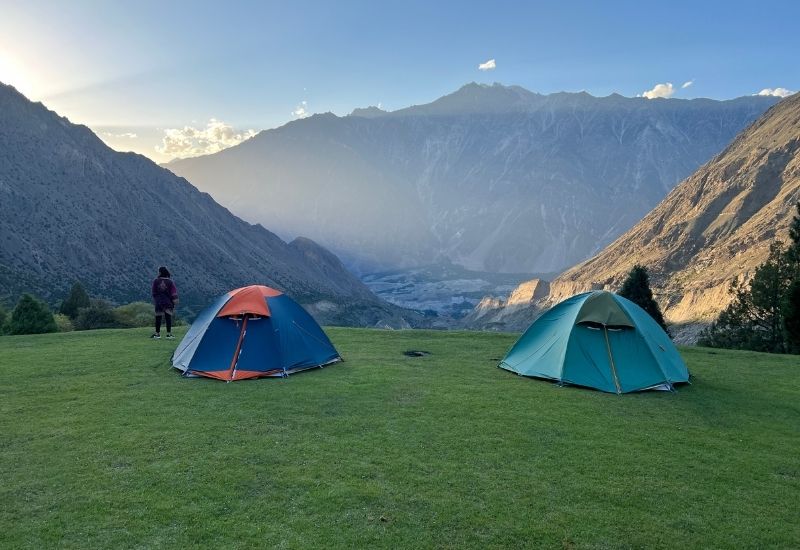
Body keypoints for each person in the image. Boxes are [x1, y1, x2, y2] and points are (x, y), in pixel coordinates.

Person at [151, 266, 178, 339]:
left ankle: (157, 334)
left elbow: (153, 292)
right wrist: (175, 301)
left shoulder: (156, 281)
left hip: (159, 302)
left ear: (160, 272)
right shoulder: (170, 282)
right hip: (168, 302)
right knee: (168, 318)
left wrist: (156, 299)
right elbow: (174, 293)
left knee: (158, 318)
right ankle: (169, 334)